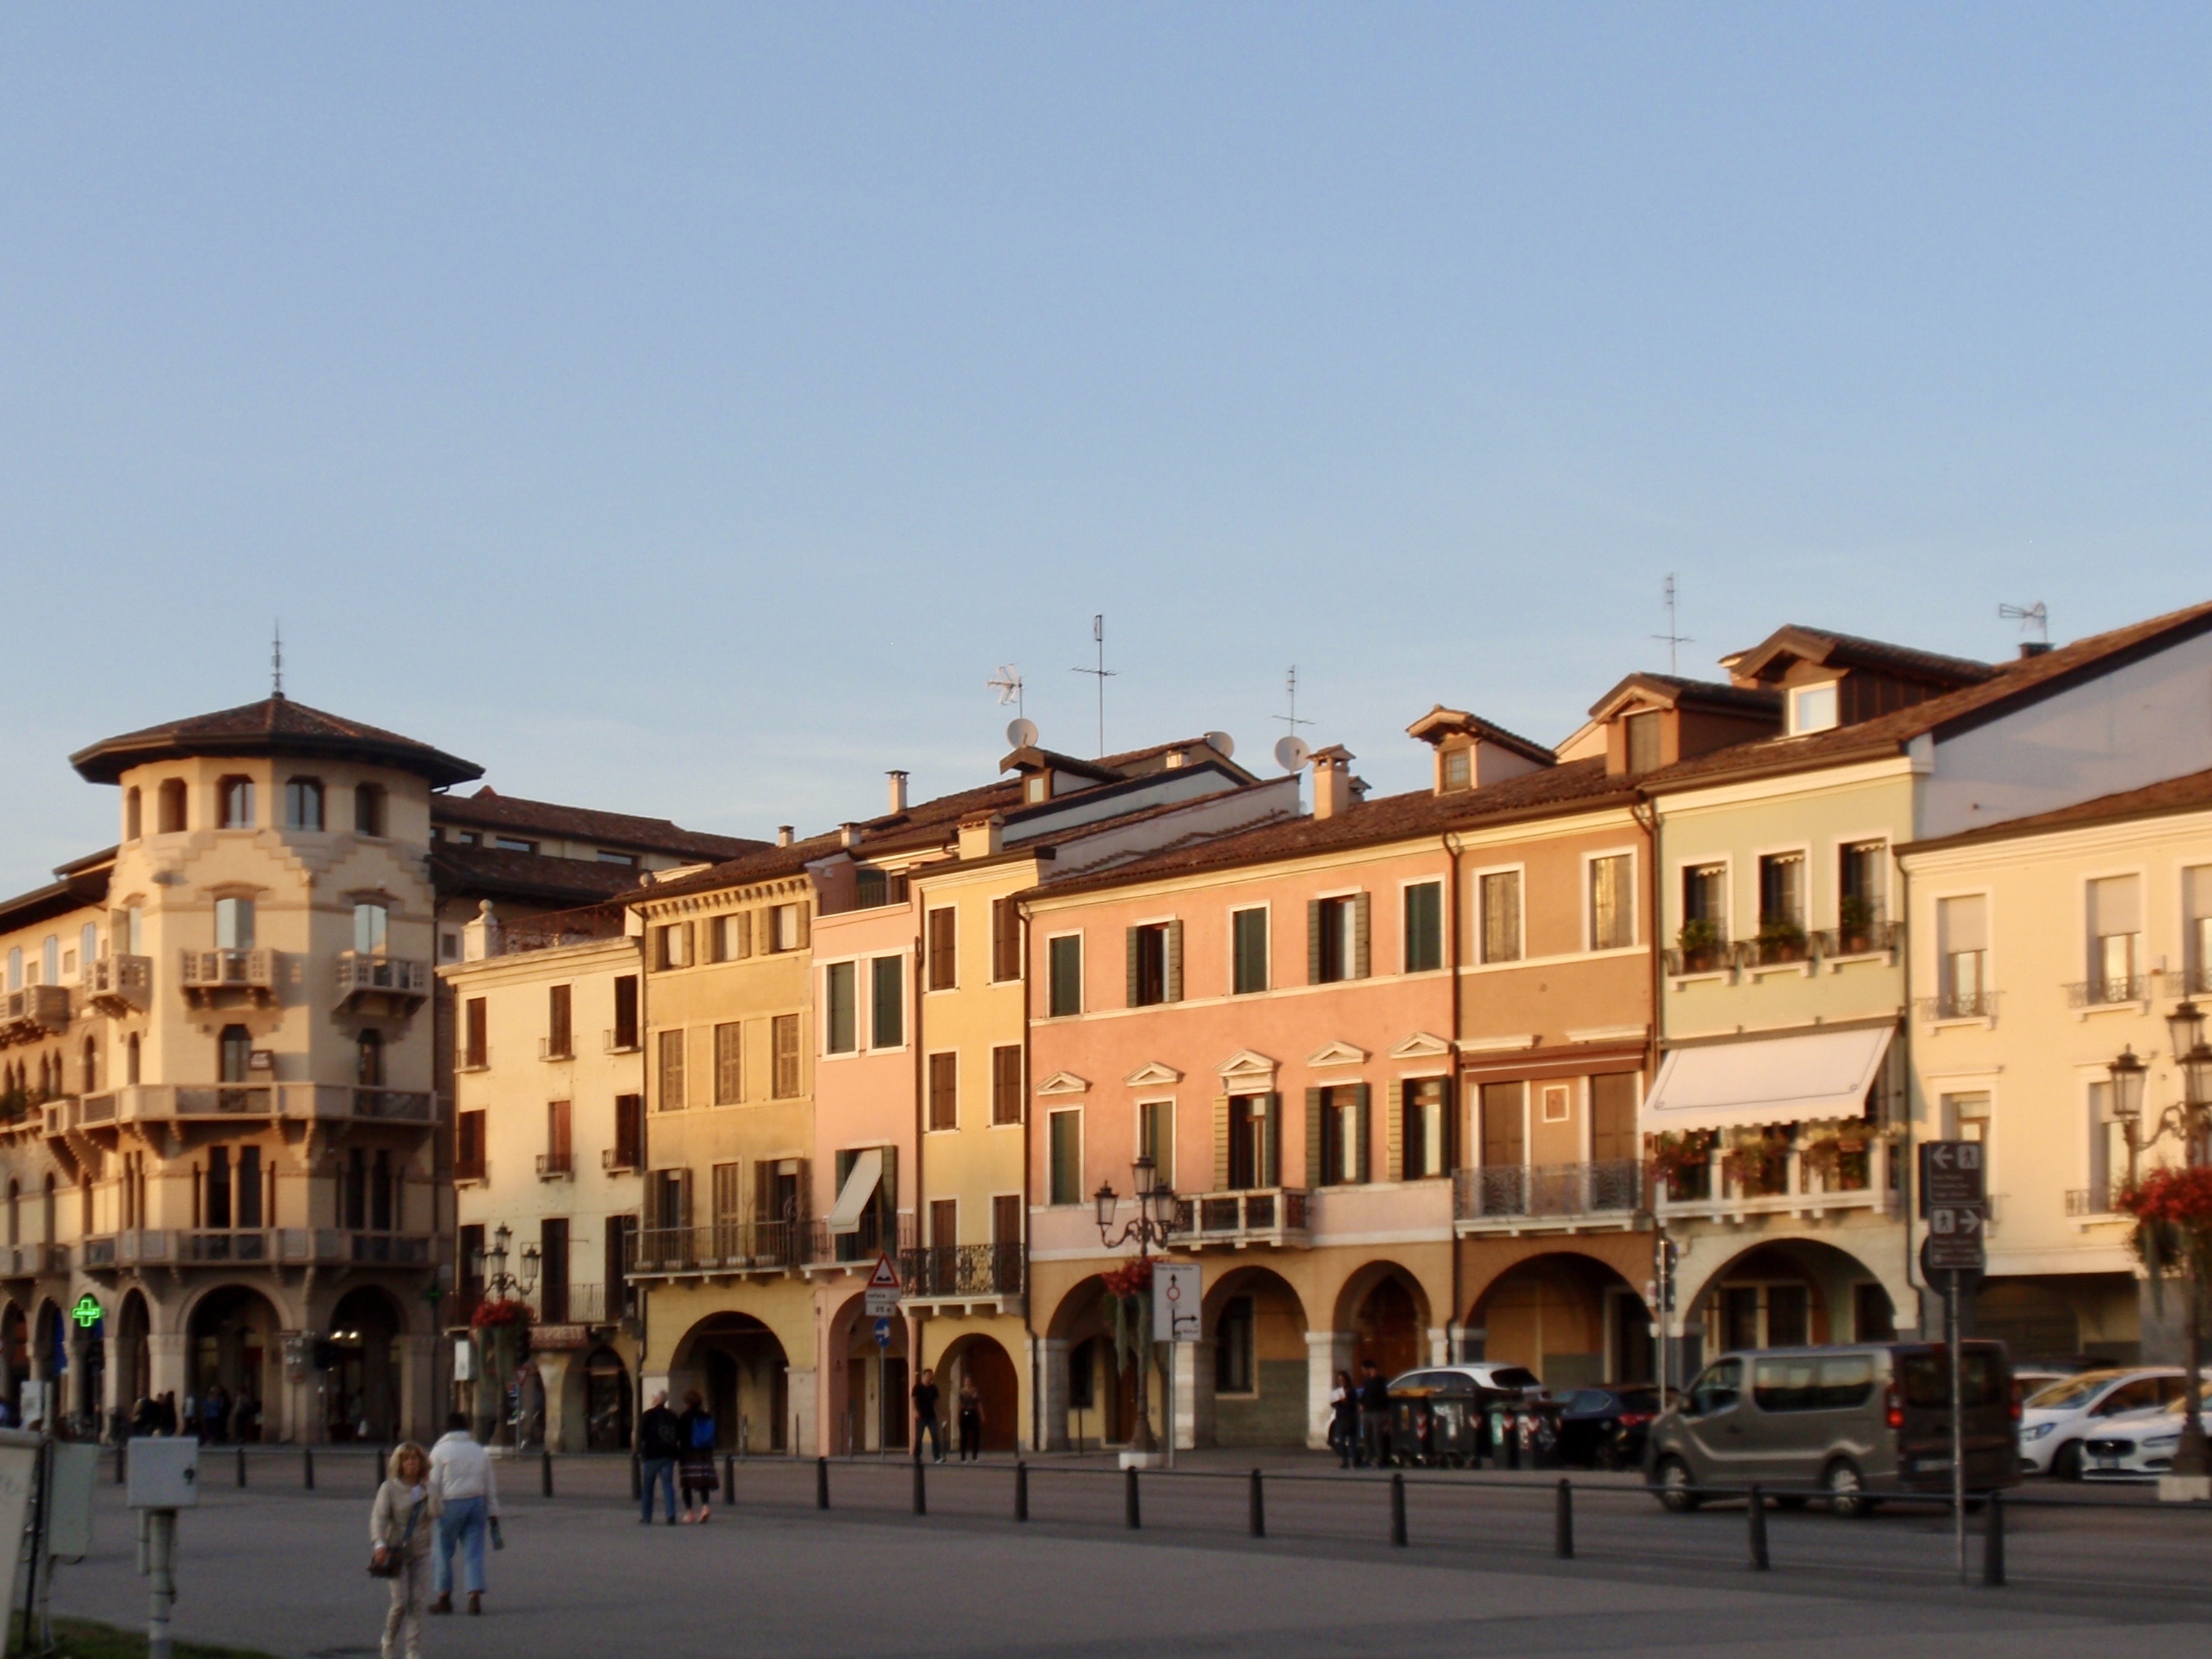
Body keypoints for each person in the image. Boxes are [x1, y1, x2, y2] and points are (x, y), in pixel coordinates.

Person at [371, 1441, 440, 1659]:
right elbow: (379, 1518)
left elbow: (437, 1513)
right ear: (399, 1464)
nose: (411, 1463)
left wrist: (431, 1490)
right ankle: (389, 1639)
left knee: (417, 1602)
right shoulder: (389, 1488)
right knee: (400, 1602)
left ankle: (413, 1650)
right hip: (396, 1551)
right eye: (406, 1459)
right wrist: (379, 1543)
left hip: (421, 1550)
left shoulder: (427, 1487)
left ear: (421, 1462)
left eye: (415, 1458)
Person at [427, 1412, 499, 1616]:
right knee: (474, 1553)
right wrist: (493, 1511)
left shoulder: (439, 1451)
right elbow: (489, 1484)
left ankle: (444, 1597)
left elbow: (433, 1484)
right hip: (476, 1502)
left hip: (449, 1503)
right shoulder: (479, 1450)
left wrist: (429, 1509)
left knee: (442, 1552)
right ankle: (474, 1596)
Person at [637, 1389, 681, 1524]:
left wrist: (641, 1448)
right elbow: (678, 1435)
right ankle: (671, 1514)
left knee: (648, 1487)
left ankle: (647, 1516)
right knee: (668, 1485)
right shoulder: (672, 1415)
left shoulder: (648, 1415)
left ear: (656, 1399)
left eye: (653, 1397)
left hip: (652, 1455)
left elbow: (642, 1435)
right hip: (669, 1454)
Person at [676, 1389, 717, 1522]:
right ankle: (705, 1506)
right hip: (705, 1452)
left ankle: (690, 1513)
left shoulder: (685, 1417)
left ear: (687, 1403)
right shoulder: (707, 1416)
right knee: (703, 1481)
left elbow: (678, 1435)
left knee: (687, 1483)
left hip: (688, 1453)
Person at [1356, 1361, 1392, 1469]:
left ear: (1370, 1369)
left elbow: (1384, 1397)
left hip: (1377, 1412)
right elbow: (1364, 1394)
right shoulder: (1367, 1381)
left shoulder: (1381, 1381)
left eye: (1364, 1370)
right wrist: (1361, 1403)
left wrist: (1385, 1411)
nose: (1363, 1372)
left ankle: (1380, 1459)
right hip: (1367, 1412)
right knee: (1367, 1437)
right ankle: (1367, 1458)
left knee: (1378, 1437)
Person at [911, 1368, 943, 1464]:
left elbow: (937, 1402)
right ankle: (917, 1456)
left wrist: (942, 1414)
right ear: (924, 1376)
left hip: (931, 1416)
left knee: (935, 1435)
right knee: (919, 1437)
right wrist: (914, 1411)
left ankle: (937, 1457)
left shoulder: (933, 1388)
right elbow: (913, 1400)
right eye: (928, 1375)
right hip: (921, 1416)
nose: (930, 1377)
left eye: (931, 1376)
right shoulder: (917, 1387)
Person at [1328, 1370, 1358, 1468]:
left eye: (1343, 1380)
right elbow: (1333, 1404)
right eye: (1339, 1380)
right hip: (1340, 1417)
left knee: (1352, 1441)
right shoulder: (1338, 1391)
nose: (1341, 1382)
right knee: (1341, 1441)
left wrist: (1346, 1402)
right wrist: (1334, 1400)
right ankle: (1345, 1460)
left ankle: (1354, 1460)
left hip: (1350, 1417)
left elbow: (1354, 1405)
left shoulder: (1351, 1391)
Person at [956, 1376, 983, 1462]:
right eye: (966, 1381)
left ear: (971, 1382)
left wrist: (982, 1415)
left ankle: (975, 1456)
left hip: (973, 1413)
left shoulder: (975, 1392)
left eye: (969, 1381)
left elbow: (979, 1404)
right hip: (964, 1413)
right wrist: (957, 1416)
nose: (967, 1382)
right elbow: (959, 1404)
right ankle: (963, 1457)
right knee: (964, 1436)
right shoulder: (961, 1392)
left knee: (976, 1435)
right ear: (964, 1382)